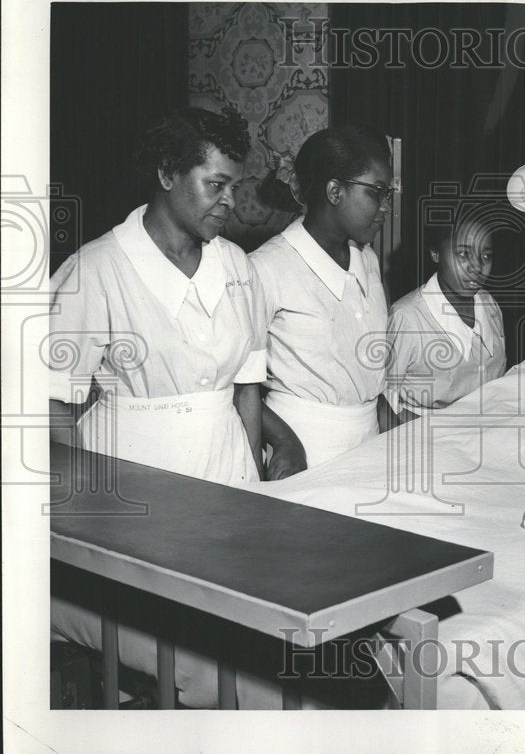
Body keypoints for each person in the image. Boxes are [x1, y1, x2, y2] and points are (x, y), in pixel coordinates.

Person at [48, 106, 265, 484]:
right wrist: (83, 490)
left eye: (235, 188)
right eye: (216, 185)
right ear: (167, 173)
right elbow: (53, 403)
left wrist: (257, 489)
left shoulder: (238, 266)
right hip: (129, 472)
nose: (230, 200)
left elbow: (247, 391)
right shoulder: (96, 269)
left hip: (230, 469)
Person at [251, 125, 392, 478]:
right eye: (377, 193)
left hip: (370, 443)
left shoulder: (367, 259)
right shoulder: (266, 268)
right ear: (334, 191)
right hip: (306, 448)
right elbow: (237, 384)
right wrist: (285, 442)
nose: (385, 207)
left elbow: (369, 374)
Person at [384, 216, 506, 423]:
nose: (476, 267)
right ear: (435, 253)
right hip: (426, 439)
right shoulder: (408, 318)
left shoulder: (489, 304)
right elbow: (385, 400)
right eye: (463, 254)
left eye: (485, 256)